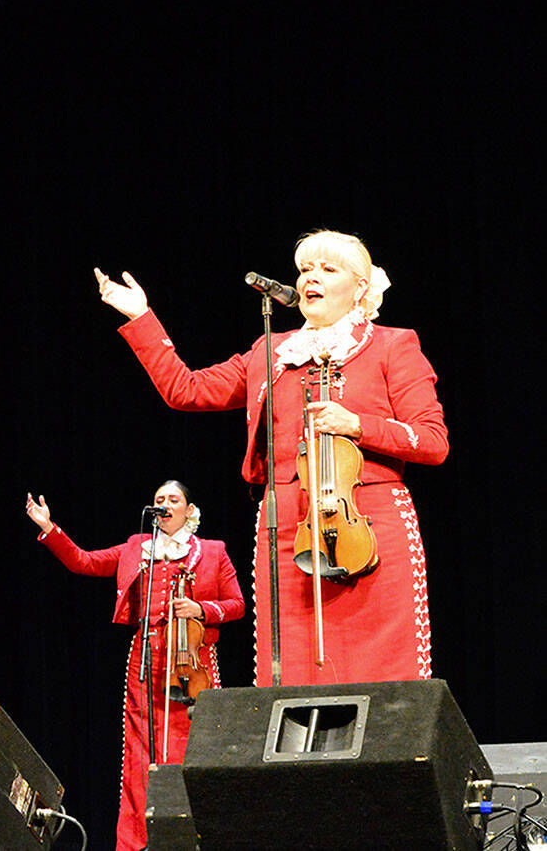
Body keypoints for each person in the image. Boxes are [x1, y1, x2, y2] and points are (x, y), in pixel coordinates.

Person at [94, 230, 448, 686]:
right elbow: (186, 390)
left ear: (361, 286)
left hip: (372, 524)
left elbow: (432, 440)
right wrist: (141, 317)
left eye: (328, 269)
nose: (311, 278)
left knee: (382, 671)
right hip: (287, 527)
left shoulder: (392, 345)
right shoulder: (271, 351)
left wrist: (359, 424)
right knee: (296, 670)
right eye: (305, 269)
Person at [26, 481, 242, 851]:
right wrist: (49, 527)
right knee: (141, 752)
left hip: (194, 661)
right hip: (146, 658)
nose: (165, 504)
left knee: (192, 743)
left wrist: (202, 609)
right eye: (159, 500)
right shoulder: (136, 547)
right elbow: (84, 561)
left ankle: (195, 836)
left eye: (173, 499)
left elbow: (236, 604)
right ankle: (140, 841)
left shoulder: (212, 551)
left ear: (190, 510)